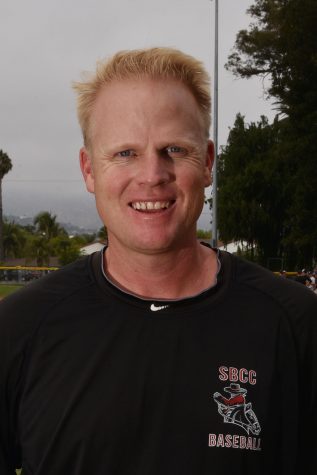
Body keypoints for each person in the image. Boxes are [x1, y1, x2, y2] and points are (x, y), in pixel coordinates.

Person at [0, 47, 316, 475]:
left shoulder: (297, 326)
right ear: (89, 169)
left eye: (173, 149)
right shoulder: (19, 329)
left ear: (206, 162)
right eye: (125, 153)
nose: (152, 174)